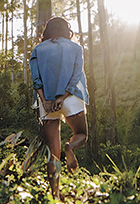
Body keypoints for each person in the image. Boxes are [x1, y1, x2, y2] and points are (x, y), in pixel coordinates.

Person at [30, 17, 89, 198]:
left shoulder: (37, 50)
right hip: (70, 98)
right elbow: (76, 73)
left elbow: (36, 79)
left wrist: (46, 100)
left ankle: (54, 194)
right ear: (66, 30)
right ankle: (70, 146)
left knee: (52, 152)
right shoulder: (76, 48)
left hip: (46, 102)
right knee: (81, 134)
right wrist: (63, 96)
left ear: (47, 31)